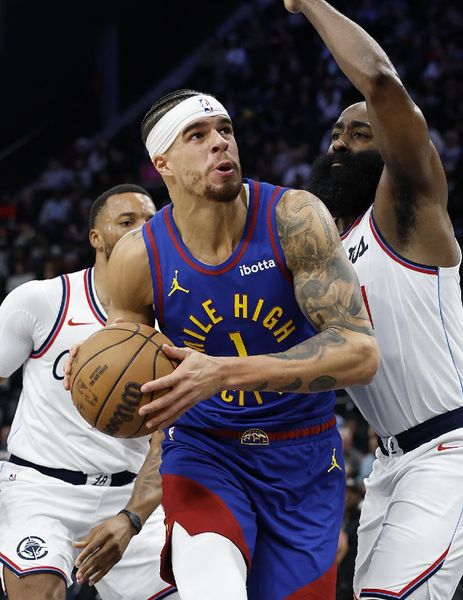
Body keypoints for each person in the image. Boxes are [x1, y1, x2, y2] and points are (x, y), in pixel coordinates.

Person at [84, 86, 379, 599]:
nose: (219, 143)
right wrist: (135, 514)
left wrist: (222, 372)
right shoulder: (137, 257)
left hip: (302, 459)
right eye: (197, 136)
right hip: (205, 454)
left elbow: (360, 352)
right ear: (163, 163)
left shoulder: (294, 218)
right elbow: (156, 400)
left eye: (225, 130)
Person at [291, 0, 463, 596]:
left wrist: (307, 4)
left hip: (458, 441)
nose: (340, 144)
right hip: (390, 462)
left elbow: (382, 83)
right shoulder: (324, 250)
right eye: (336, 134)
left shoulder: (406, 212)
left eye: (360, 133)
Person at [0, 185, 172, 600]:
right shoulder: (43, 301)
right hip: (39, 488)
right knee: (40, 592)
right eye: (127, 222)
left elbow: (169, 439)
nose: (142, 231)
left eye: (151, 222)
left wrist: (133, 518)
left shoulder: (173, 321)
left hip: (129, 495)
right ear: (96, 237)